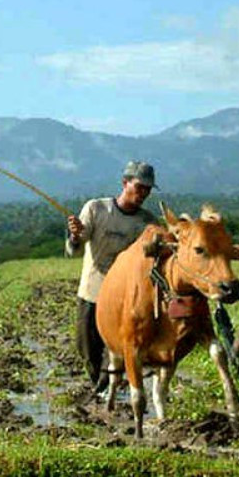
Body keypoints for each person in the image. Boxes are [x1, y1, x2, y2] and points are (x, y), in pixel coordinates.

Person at [66, 160, 158, 393]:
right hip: (93, 291)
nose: (143, 193)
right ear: (125, 183)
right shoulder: (96, 209)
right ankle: (100, 384)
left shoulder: (147, 223)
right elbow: (75, 249)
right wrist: (75, 236)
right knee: (86, 347)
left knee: (118, 347)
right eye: (139, 187)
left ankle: (107, 389)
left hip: (125, 297)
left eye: (148, 189)